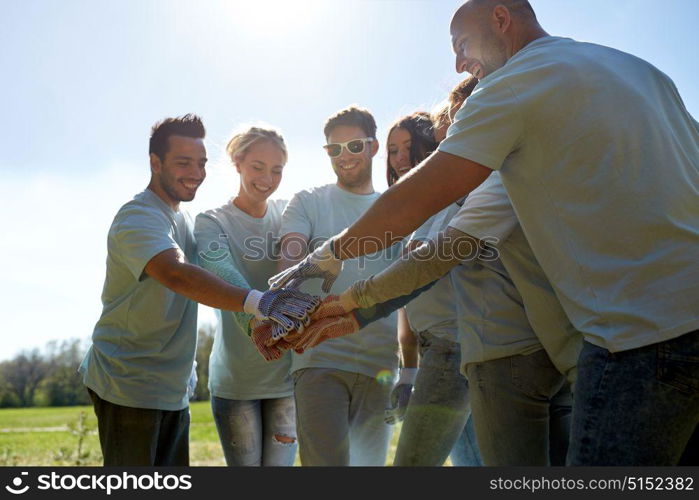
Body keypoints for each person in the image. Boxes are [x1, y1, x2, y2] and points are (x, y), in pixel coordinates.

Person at [268, 0, 699, 465]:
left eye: (461, 44)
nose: (458, 64)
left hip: (638, 339)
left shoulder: (513, 84)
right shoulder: (640, 70)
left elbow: (420, 207)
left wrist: (326, 261)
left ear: (500, 18)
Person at [79, 114, 319, 466]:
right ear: (155, 162)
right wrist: (259, 304)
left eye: (201, 163)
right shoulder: (138, 217)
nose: (195, 172)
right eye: (183, 163)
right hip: (129, 384)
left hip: (172, 388)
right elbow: (177, 274)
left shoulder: (182, 219)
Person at [277, 106, 401, 466]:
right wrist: (284, 305)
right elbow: (290, 259)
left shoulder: (396, 207)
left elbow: (409, 282)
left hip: (380, 364)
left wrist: (409, 366)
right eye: (334, 149)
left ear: (374, 147)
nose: (344, 157)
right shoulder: (308, 201)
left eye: (354, 146)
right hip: (319, 360)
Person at [195, 125, 297, 466]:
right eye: (258, 166)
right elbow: (219, 268)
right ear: (237, 162)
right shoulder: (211, 222)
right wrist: (255, 319)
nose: (267, 178)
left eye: (277, 170)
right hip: (236, 382)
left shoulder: (291, 214)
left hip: (287, 380)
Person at [384, 111, 482, 466]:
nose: (400, 158)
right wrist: (408, 371)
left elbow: (418, 273)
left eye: (409, 146)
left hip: (453, 346)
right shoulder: (410, 214)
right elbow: (408, 305)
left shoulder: (456, 198)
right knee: (472, 462)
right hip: (435, 348)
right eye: (392, 150)